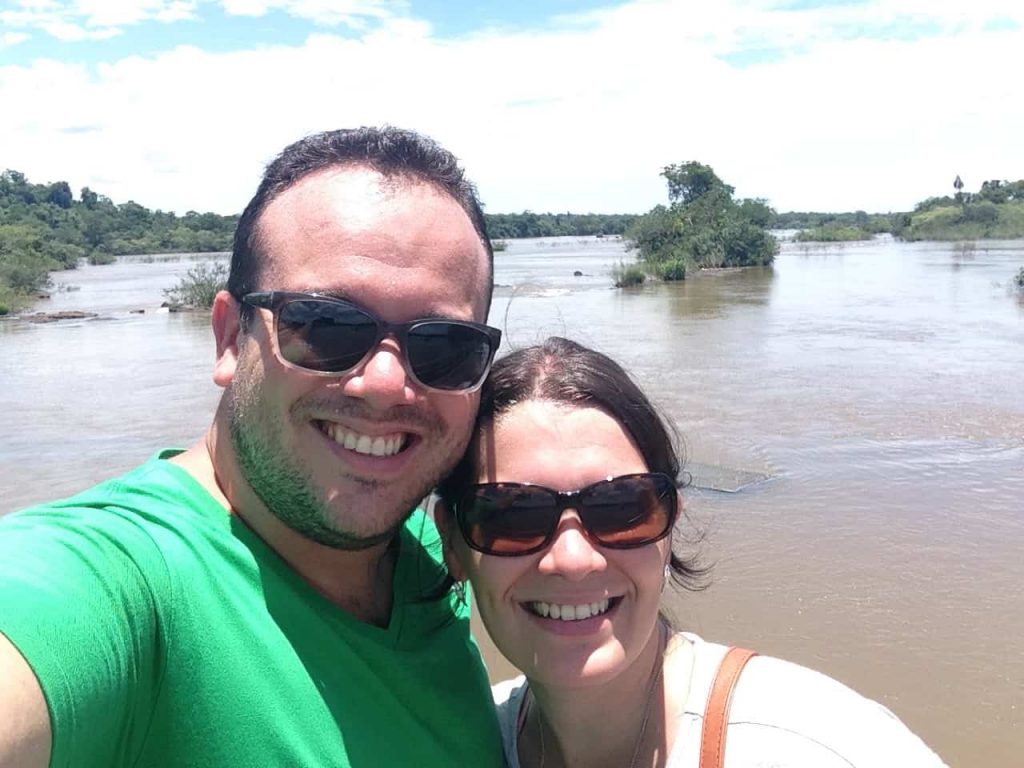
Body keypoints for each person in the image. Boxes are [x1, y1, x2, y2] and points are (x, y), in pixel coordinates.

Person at [0, 127, 508, 767]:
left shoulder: (442, 558)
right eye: (325, 325)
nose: (385, 383)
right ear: (228, 337)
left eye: (443, 346)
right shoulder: (124, 584)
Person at [435, 337, 948, 768]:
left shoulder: (819, 742)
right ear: (452, 543)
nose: (574, 559)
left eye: (621, 507)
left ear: (669, 525)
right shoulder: (462, 744)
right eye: (510, 515)